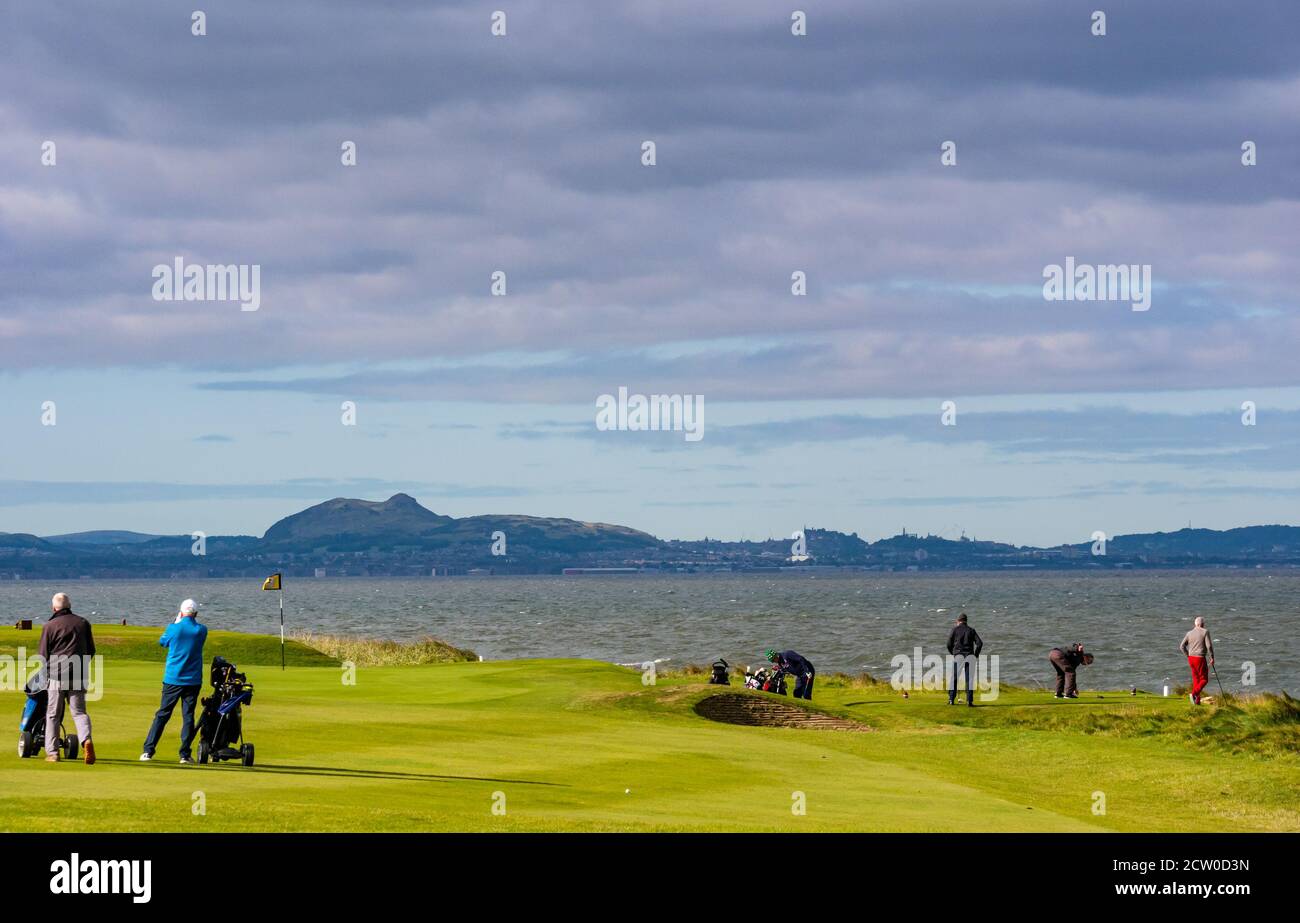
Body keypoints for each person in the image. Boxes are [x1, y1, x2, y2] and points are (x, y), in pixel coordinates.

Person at [140, 599, 208, 764]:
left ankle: (148, 751)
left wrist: (176, 621)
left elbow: (163, 642)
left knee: (163, 714)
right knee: (188, 716)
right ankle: (184, 754)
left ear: (181, 612)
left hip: (173, 679)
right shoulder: (201, 630)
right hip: (192, 680)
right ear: (196, 614)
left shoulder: (174, 628)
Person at [38, 593, 96, 764]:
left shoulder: (49, 626)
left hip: (56, 674)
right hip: (78, 673)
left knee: (53, 715)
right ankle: (86, 740)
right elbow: (91, 650)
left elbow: (42, 655)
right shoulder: (83, 623)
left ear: (54, 608)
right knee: (79, 712)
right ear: (69, 605)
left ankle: (53, 753)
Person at [946, 612, 983, 706]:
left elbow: (948, 644)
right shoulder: (971, 630)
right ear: (966, 621)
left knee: (954, 678)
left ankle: (951, 700)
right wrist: (975, 655)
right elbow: (979, 643)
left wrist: (953, 653)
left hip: (958, 656)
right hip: (970, 656)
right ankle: (969, 701)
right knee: (969, 679)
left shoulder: (954, 630)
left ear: (958, 621)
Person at [1180, 616, 1215, 705]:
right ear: (1201, 624)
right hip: (1200, 658)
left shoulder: (1189, 633)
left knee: (1196, 679)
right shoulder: (1205, 632)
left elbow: (1181, 646)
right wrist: (1212, 657)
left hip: (1191, 658)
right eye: (1203, 624)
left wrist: (1188, 655)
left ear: (1195, 624)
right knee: (1204, 679)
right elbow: (1209, 646)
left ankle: (1196, 701)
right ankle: (1194, 694)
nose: (1204, 625)